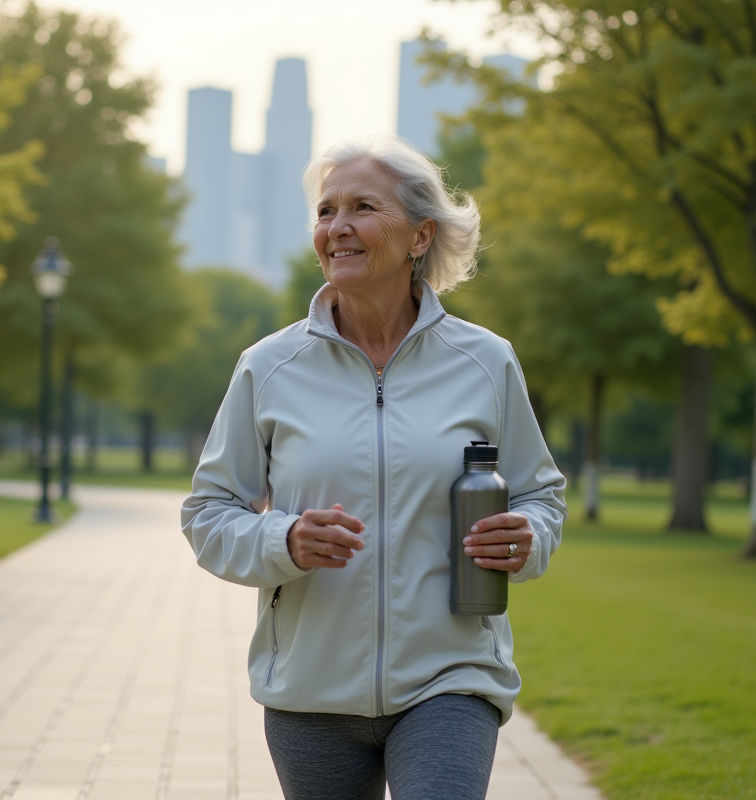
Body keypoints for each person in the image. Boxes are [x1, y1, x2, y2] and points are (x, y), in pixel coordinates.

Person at [181, 134, 567, 800]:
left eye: (362, 207)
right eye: (327, 211)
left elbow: (541, 494)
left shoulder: (486, 361)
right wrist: (285, 540)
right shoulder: (269, 366)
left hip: (452, 677)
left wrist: (528, 536)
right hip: (311, 687)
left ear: (420, 237)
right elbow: (208, 514)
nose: (337, 228)